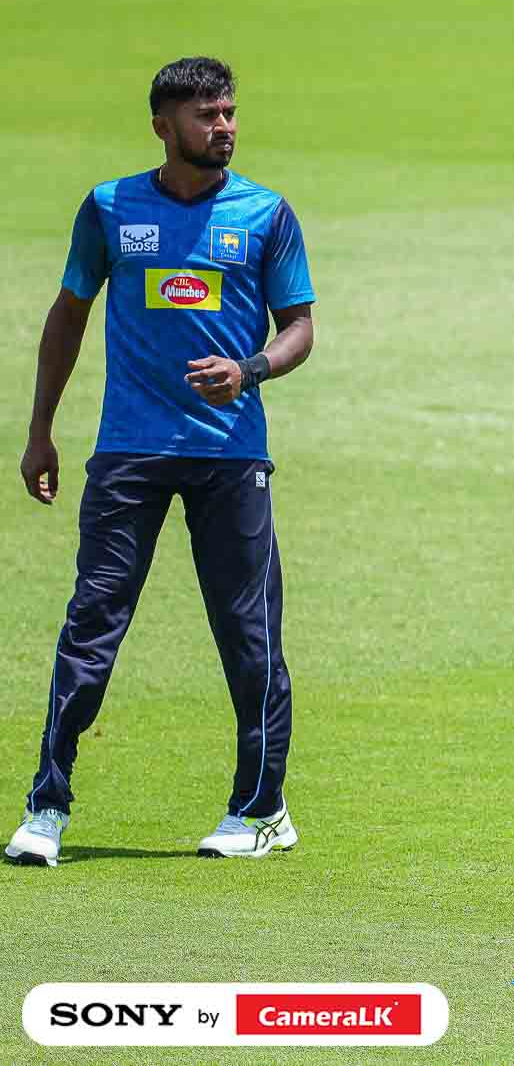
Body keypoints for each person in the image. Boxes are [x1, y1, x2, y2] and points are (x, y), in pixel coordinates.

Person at [8, 57, 317, 867]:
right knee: (91, 624)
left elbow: (299, 327)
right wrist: (40, 430)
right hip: (129, 452)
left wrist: (248, 369)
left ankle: (261, 809)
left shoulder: (266, 213)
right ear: (162, 125)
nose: (225, 126)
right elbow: (68, 314)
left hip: (231, 454)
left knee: (249, 636)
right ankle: (46, 805)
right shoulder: (110, 208)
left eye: (229, 112)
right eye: (207, 115)